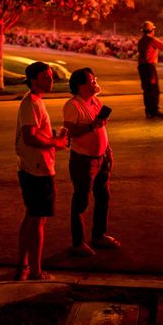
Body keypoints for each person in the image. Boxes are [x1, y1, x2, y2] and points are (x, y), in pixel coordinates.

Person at [14, 61, 69, 281]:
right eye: (46, 77)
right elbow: (30, 136)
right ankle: (36, 271)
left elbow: (35, 133)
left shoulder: (34, 102)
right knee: (38, 221)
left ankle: (23, 267)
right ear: (33, 80)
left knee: (31, 218)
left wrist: (55, 140)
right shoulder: (31, 104)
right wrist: (56, 142)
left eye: (51, 76)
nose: (51, 80)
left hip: (33, 168)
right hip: (37, 170)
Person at [63, 67, 120, 256]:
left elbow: (100, 128)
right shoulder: (73, 105)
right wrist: (91, 125)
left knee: (103, 197)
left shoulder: (96, 101)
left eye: (95, 79)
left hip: (102, 156)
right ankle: (78, 242)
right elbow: (70, 133)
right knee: (81, 200)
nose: (95, 82)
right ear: (80, 85)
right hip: (84, 159)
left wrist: (107, 150)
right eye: (90, 80)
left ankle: (99, 235)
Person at [137, 20, 163, 120]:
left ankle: (149, 111)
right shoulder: (151, 39)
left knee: (147, 89)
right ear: (151, 30)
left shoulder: (141, 40)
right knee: (154, 89)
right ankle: (154, 111)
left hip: (142, 67)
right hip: (149, 67)